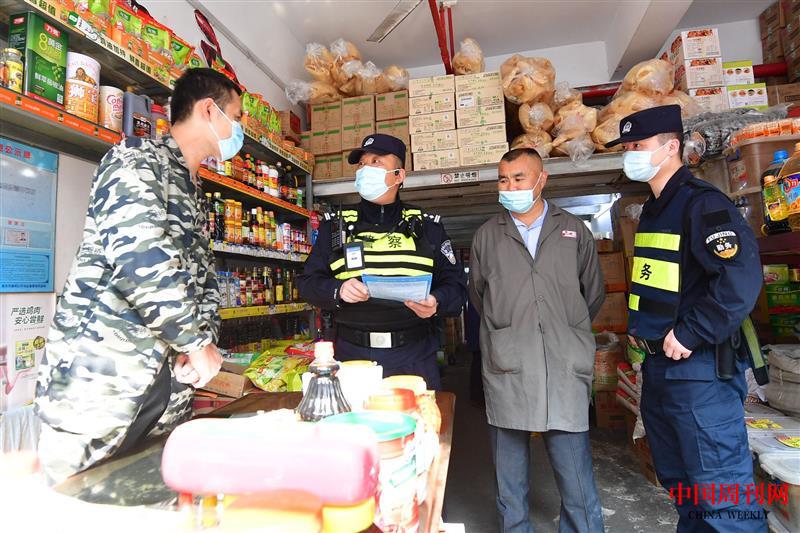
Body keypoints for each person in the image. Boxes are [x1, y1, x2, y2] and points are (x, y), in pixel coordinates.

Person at [35, 68, 242, 483]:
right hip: (102, 384)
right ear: (208, 110)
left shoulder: (192, 189)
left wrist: (194, 347)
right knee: (76, 499)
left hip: (164, 389)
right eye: (236, 118)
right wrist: (195, 342)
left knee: (145, 496)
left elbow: (199, 283)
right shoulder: (136, 160)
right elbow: (139, 258)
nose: (238, 131)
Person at [606, 105, 766, 532]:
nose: (630, 154)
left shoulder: (701, 203)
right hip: (660, 370)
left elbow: (740, 279)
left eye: (638, 145)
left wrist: (692, 332)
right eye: (626, 147)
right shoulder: (656, 208)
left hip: (699, 372)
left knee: (722, 496)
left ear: (671, 146)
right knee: (684, 488)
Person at [469, 148, 606, 533]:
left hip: (563, 362)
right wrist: (515, 327)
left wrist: (561, 327)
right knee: (509, 477)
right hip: (509, 364)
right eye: (503, 179)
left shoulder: (573, 230)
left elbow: (592, 293)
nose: (510, 187)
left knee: (575, 473)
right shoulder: (487, 236)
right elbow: (479, 295)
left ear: (542, 179)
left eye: (519, 178)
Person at [297, 134, 467, 389]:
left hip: (414, 357)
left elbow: (457, 286)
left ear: (399, 175)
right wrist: (338, 289)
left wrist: (436, 301)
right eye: (361, 164)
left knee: (419, 415)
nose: (365, 169)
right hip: (352, 358)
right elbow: (307, 282)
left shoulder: (427, 227)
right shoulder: (335, 227)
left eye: (376, 162)